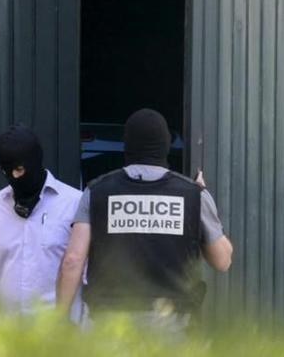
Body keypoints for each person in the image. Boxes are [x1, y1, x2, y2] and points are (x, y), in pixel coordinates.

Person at [56, 108, 233, 332]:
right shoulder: (194, 195)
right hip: (173, 327)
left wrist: (59, 320)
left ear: (126, 145)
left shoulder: (96, 191)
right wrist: (205, 203)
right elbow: (222, 261)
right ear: (166, 145)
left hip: (109, 326)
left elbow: (72, 260)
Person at [0, 124, 84, 321]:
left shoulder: (74, 204)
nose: (14, 177)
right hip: (11, 338)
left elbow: (90, 274)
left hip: (60, 336)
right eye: (6, 171)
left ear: (34, 162)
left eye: (19, 169)